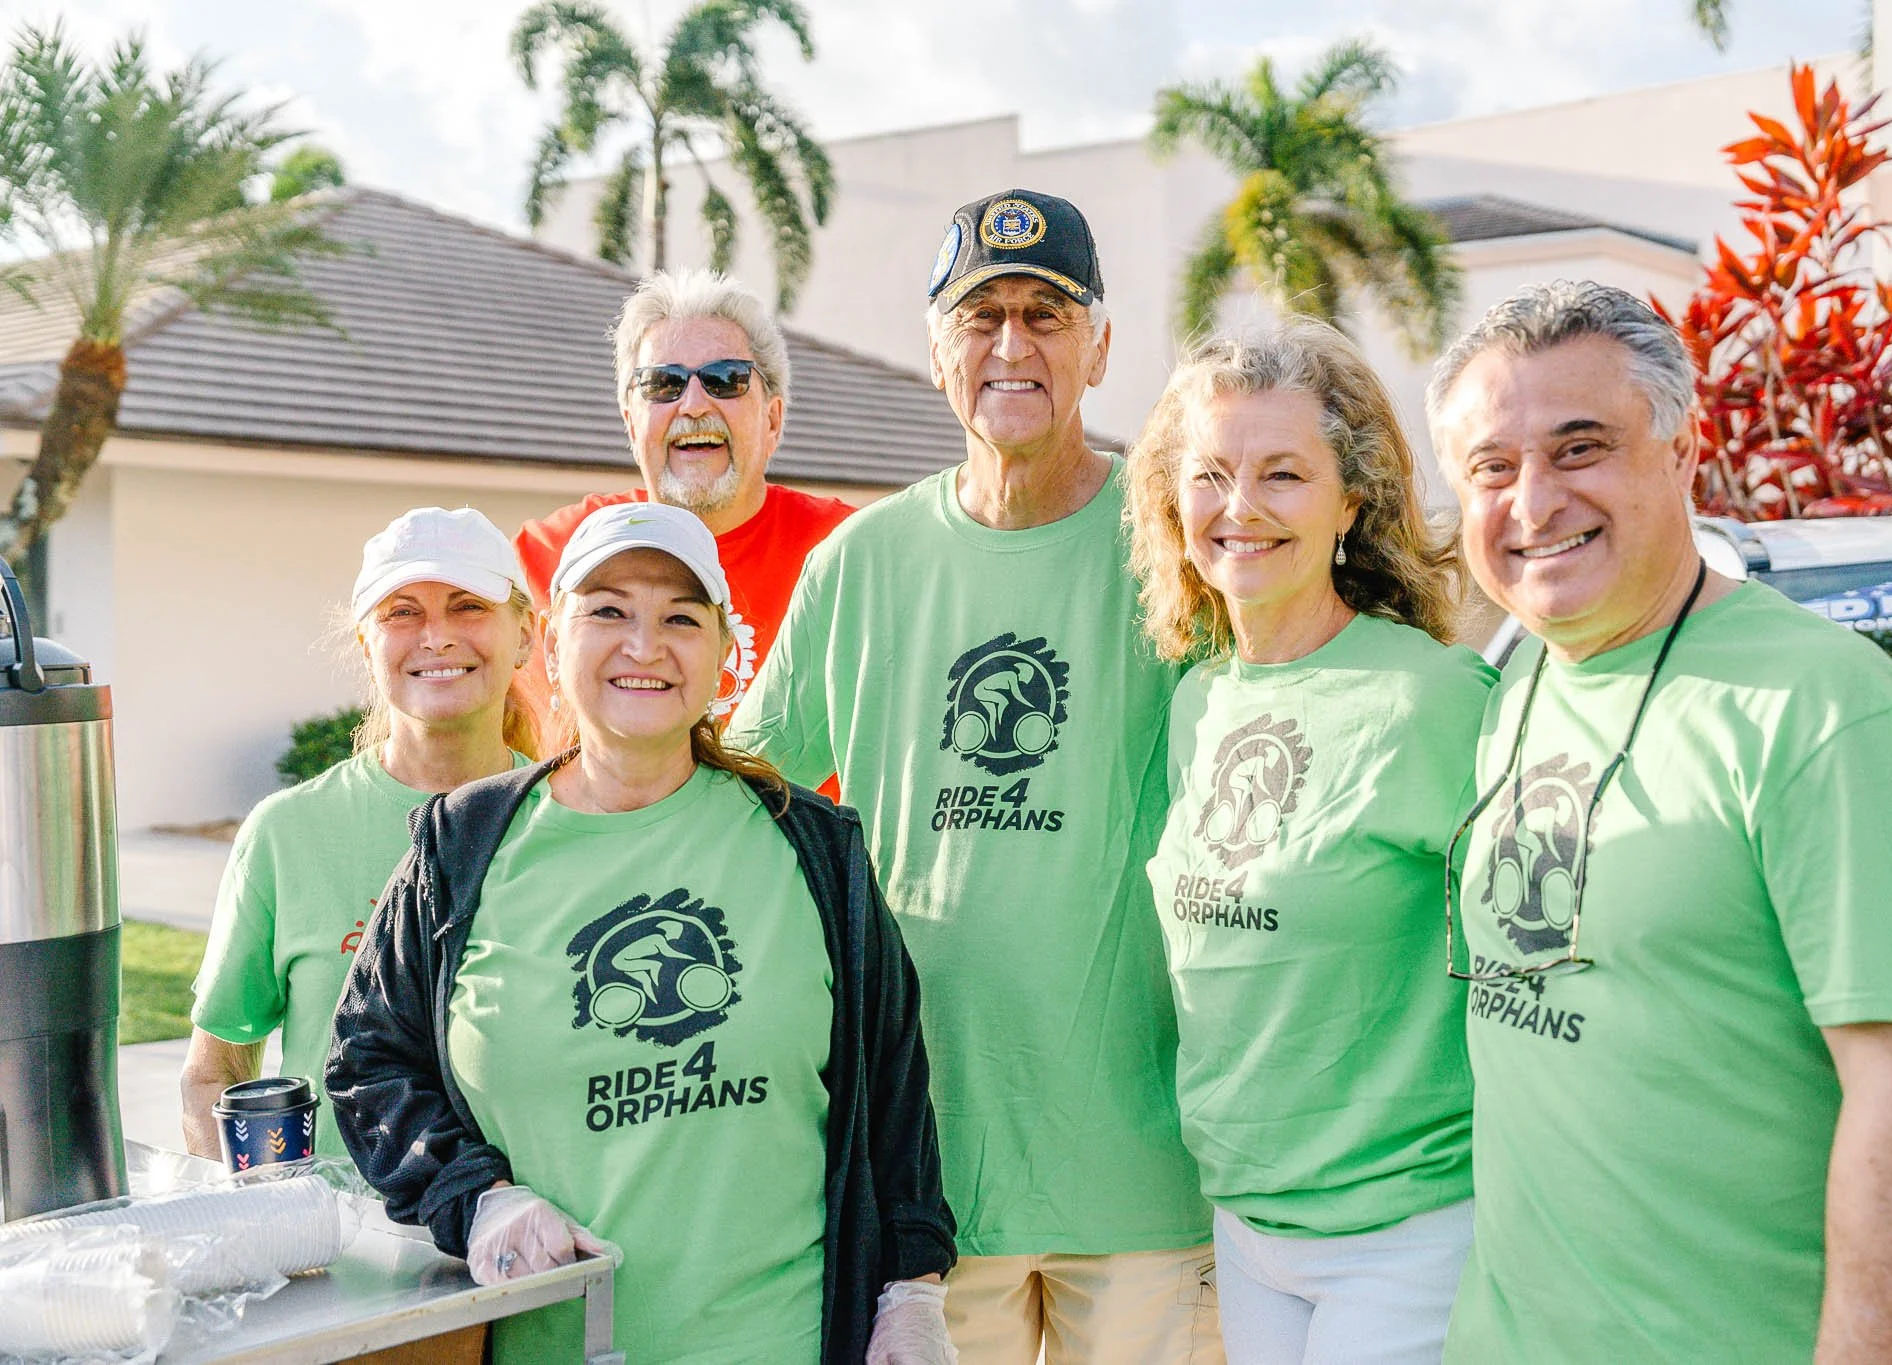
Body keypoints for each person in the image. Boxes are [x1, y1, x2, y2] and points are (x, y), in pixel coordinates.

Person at [1426, 279, 1892, 1364]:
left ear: (1682, 451)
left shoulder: (1827, 711)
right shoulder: (1511, 700)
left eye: (1577, 448)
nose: (1531, 502)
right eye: (1491, 467)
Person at [731, 189, 1218, 1364]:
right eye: (980, 315)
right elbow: (739, 798)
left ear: (1098, 345)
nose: (1012, 345)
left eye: (1045, 313)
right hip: (931, 1169)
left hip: (1148, 1160)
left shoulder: (1182, 551)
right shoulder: (861, 563)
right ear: (937, 349)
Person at [327, 502, 957, 1365]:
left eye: (681, 618)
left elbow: (895, 1081)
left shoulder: (815, 847)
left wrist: (912, 1287)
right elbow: (368, 1061)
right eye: (610, 610)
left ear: (726, 655)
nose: (644, 644)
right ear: (551, 644)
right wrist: (478, 1199)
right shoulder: (463, 847)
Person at [1124, 317, 1495, 1364]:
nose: (1237, 509)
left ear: (1350, 501)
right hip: (1247, 1226)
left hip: (1408, 1233)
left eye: (1281, 474)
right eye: (1209, 474)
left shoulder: (1432, 699)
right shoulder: (1198, 699)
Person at [182, 507, 539, 1161]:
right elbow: (214, 1072)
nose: (436, 636)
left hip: (540, 1248)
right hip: (345, 1253)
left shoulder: (573, 818)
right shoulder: (288, 833)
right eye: (402, 612)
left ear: (526, 634)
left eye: (467, 605)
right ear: (365, 642)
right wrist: (253, 1227)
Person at [515, 269, 853, 725]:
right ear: (631, 423)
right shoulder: (543, 556)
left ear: (772, 420)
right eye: (663, 384)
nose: (693, 404)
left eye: (726, 379)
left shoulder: (849, 552)